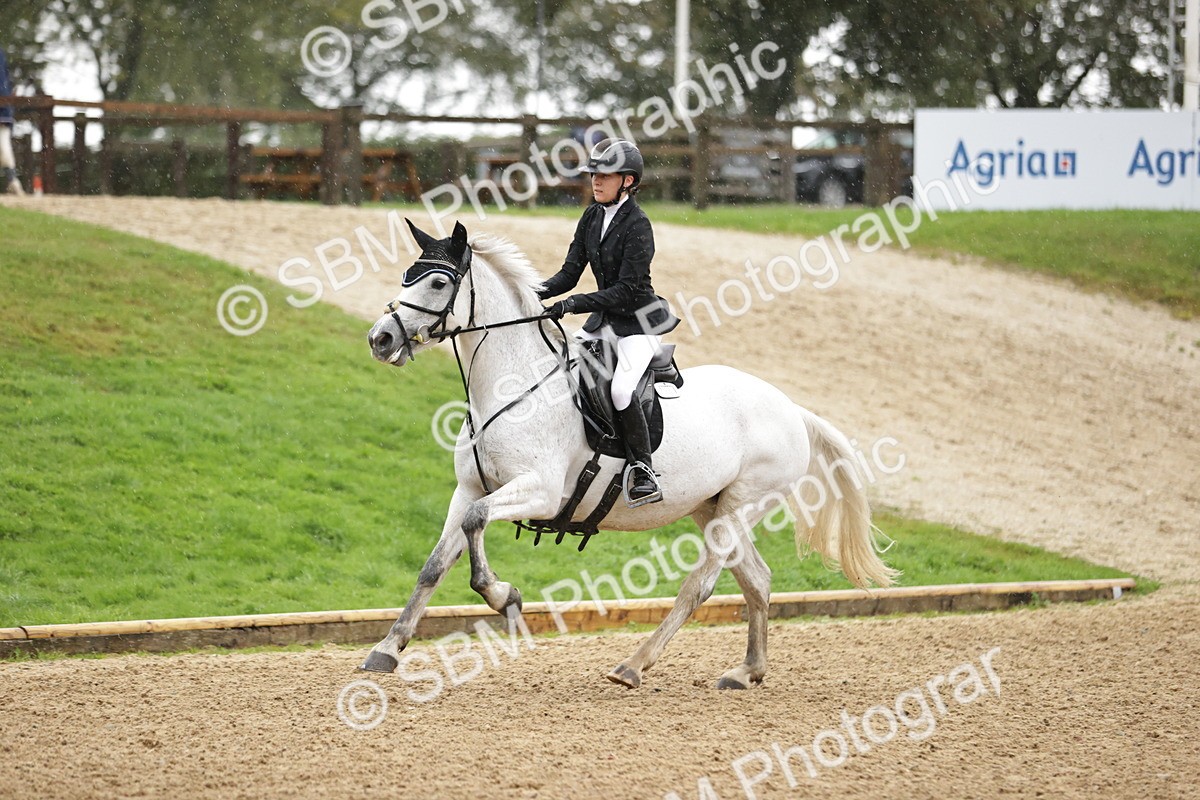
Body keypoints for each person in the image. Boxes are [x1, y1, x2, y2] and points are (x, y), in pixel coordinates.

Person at [539, 138, 679, 507]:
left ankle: (642, 469)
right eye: (593, 175)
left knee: (620, 390)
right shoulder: (591, 216)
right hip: (603, 320)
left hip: (638, 322)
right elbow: (569, 273)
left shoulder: (639, 225)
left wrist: (573, 305)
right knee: (563, 371)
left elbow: (625, 291)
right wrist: (531, 293)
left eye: (605, 175)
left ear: (628, 181)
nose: (595, 181)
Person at [0, 46, 23, 195]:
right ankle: (12, 181)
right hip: (4, 107)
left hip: (2, 109)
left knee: (3, 145)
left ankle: (13, 181)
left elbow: (2, 81)